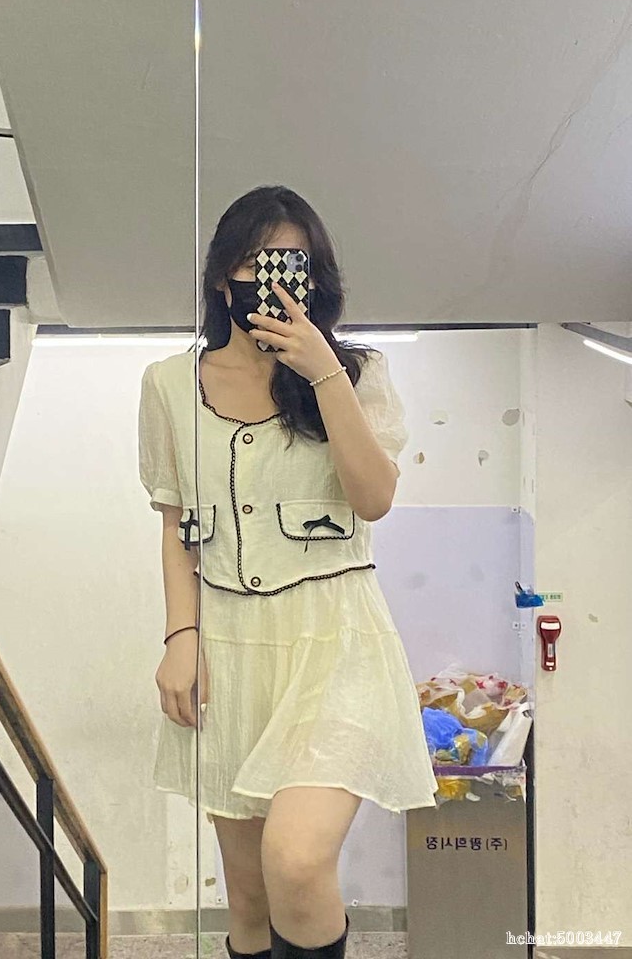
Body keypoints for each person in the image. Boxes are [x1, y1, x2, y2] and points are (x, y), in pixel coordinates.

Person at [138, 185, 437, 959]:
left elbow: (374, 499)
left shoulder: (356, 373)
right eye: (254, 261)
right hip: (230, 650)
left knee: (296, 863)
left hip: (336, 643)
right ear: (221, 280)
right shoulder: (169, 385)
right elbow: (175, 523)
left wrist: (323, 370)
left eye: (290, 263)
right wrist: (179, 636)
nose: (270, 279)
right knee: (247, 896)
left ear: (313, 277)